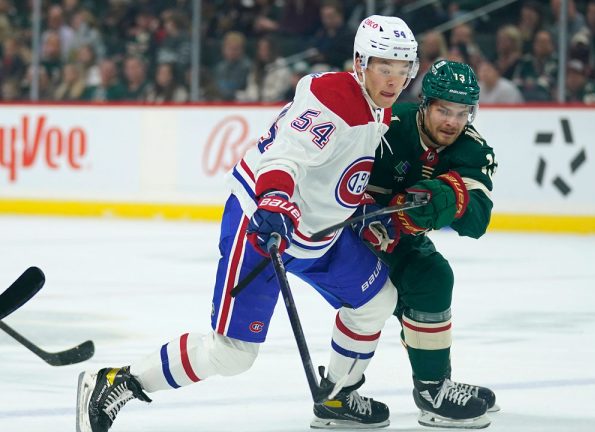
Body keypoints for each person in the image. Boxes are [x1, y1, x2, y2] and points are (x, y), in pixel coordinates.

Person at [75, 15, 419, 432]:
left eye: (404, 70)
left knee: (376, 301)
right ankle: (118, 382)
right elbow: (285, 155)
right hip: (263, 224)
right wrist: (273, 200)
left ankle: (337, 395)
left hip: (316, 235)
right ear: (361, 63)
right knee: (232, 354)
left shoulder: (377, 110)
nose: (394, 81)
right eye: (385, 67)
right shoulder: (335, 98)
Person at [365, 60, 498, 428]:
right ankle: (339, 395)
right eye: (444, 110)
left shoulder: (472, 150)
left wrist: (445, 195)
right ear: (425, 103)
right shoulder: (387, 126)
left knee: (432, 279)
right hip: (351, 236)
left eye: (462, 112)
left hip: (400, 241)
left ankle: (434, 387)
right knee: (380, 299)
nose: (452, 122)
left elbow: (478, 220)